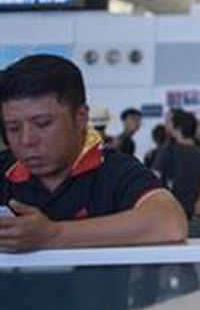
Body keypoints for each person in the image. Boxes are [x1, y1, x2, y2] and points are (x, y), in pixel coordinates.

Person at [0, 54, 187, 251]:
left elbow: (169, 222)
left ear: (81, 117)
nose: (27, 140)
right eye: (13, 128)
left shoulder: (113, 171)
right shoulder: (5, 172)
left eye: (42, 124)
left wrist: (53, 235)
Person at [153, 109, 200, 220]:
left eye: (169, 121)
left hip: (171, 213)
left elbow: (155, 178)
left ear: (177, 128)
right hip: (194, 214)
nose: (165, 124)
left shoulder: (168, 150)